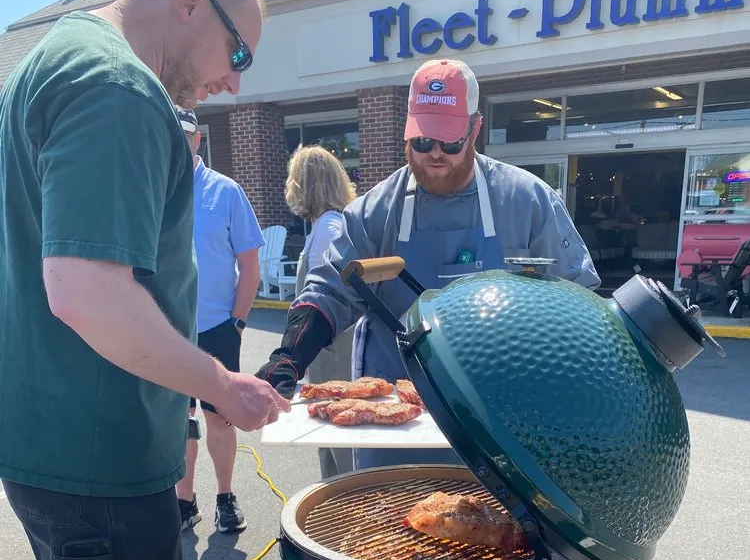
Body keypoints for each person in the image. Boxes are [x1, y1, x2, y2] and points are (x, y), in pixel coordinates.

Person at [0, 0, 289, 560]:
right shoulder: (115, 88)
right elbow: (86, 293)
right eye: (238, 51)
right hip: (98, 455)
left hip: (75, 439)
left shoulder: (62, 57)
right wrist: (222, 384)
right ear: (192, 0)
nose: (234, 80)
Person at [258, 58, 599, 471]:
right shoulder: (375, 212)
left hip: (502, 427)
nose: (435, 154)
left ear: (475, 129)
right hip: (395, 426)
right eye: (423, 142)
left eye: (451, 142)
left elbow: (579, 302)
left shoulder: (527, 202)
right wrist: (289, 355)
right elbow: (330, 290)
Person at [175, 106, 264, 535]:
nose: (176, 140)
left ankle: (225, 497)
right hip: (170, 328)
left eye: (184, 134)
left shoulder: (225, 191)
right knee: (179, 420)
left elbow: (250, 266)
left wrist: (238, 323)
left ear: (197, 139)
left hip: (216, 328)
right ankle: (183, 501)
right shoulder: (152, 190)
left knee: (219, 418)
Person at [285, 144, 357, 478]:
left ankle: (346, 514)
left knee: (338, 437)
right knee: (328, 438)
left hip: (334, 351)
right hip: (328, 352)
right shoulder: (330, 225)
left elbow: (335, 295)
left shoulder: (329, 229)